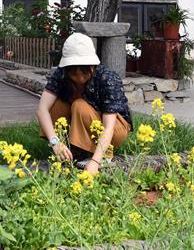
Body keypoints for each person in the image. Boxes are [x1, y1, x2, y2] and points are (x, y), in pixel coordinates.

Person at [37, 32, 132, 174]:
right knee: (56, 106)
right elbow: (42, 109)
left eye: (84, 73)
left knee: (79, 105)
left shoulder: (108, 78)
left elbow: (109, 127)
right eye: (74, 74)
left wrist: (95, 162)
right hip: (82, 124)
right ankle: (67, 151)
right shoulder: (60, 74)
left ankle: (100, 154)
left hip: (114, 129)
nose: (80, 78)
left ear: (92, 66)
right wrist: (55, 142)